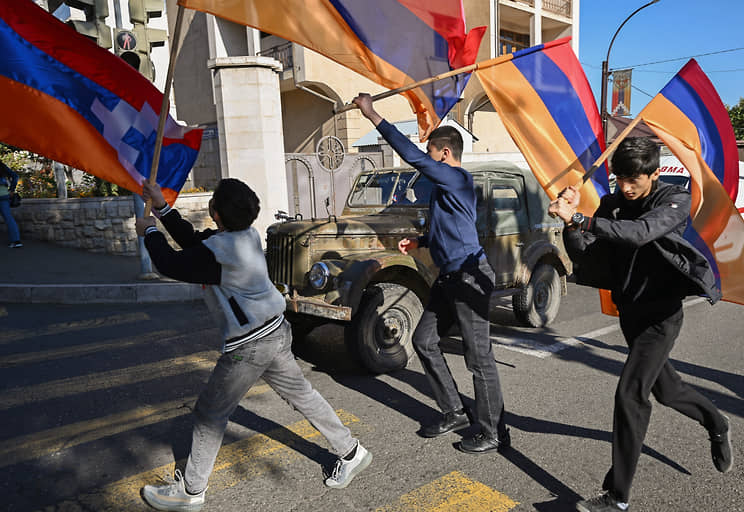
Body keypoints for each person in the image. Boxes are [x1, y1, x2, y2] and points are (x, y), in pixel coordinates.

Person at [135, 179, 371, 511]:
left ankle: (191, 492)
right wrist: (162, 208)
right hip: (275, 330)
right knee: (303, 396)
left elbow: (172, 264)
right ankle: (352, 452)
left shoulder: (220, 252)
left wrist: (149, 233)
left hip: (250, 346)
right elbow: (193, 242)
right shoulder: (242, 236)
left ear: (214, 211)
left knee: (209, 414)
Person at [548, 137, 733, 512]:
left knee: (631, 395)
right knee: (668, 391)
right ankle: (717, 422)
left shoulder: (674, 200)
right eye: (620, 179)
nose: (626, 188)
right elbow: (587, 250)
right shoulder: (614, 202)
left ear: (655, 173)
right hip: (630, 312)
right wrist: (569, 224)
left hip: (661, 317)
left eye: (634, 179)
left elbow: (640, 233)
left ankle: (617, 497)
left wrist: (581, 218)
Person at [352, 93, 509, 454]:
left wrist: (372, 114)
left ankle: (492, 431)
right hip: (450, 278)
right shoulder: (446, 190)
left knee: (478, 356)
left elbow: (412, 156)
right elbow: (453, 228)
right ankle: (454, 410)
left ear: (444, 154)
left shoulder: (457, 179)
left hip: (470, 277)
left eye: (432, 151)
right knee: (424, 341)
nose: (428, 157)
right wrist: (421, 240)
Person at [0, 161, 22, 248]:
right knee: (8, 218)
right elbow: (15, 176)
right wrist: (12, 189)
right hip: (4, 195)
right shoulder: (1, 166)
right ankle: (16, 241)